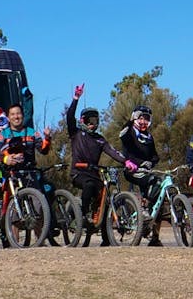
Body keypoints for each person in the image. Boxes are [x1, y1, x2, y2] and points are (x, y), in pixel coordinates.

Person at [67, 85, 137, 238]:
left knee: (106, 196)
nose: (93, 124)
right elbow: (69, 117)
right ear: (83, 121)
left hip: (94, 174)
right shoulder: (76, 134)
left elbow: (112, 151)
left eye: (96, 121)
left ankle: (106, 237)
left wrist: (126, 162)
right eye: (90, 121)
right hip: (78, 173)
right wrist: (76, 99)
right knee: (89, 186)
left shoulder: (100, 139)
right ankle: (82, 216)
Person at [119, 105, 161, 246]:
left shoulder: (149, 137)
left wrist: (150, 162)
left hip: (145, 171)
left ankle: (154, 237)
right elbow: (122, 135)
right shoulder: (130, 133)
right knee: (153, 181)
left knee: (159, 201)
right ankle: (142, 208)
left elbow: (155, 156)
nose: (143, 121)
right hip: (132, 171)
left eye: (146, 119)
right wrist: (131, 121)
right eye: (140, 118)